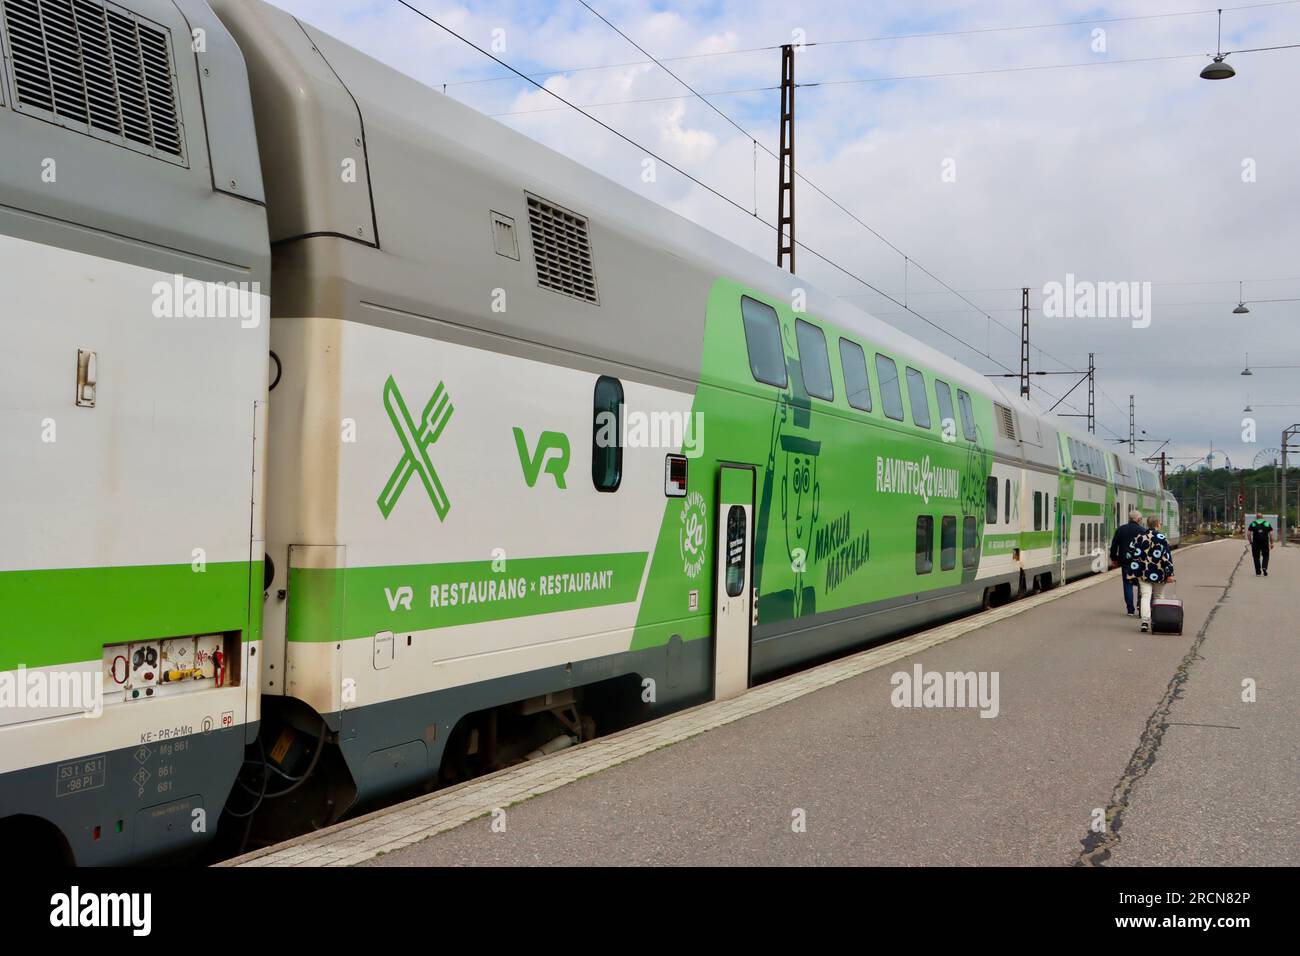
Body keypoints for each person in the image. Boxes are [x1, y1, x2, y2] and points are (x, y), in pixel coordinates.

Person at [1124, 516, 1175, 633]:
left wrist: (1134, 567)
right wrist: (1170, 573)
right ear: (1157, 524)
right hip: (1159, 573)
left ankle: (1145, 622)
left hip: (1143, 573)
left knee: (1145, 596)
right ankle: (1158, 620)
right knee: (1158, 597)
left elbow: (1129, 554)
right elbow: (1166, 557)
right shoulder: (1162, 538)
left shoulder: (1139, 537)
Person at [1109, 509, 1145, 615]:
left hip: (1125, 561)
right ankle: (1140, 605)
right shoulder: (1143, 531)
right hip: (1139, 562)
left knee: (1127, 583)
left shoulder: (1121, 529)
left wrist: (1114, 558)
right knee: (1141, 583)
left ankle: (1130, 609)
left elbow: (1114, 545)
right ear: (1138, 519)